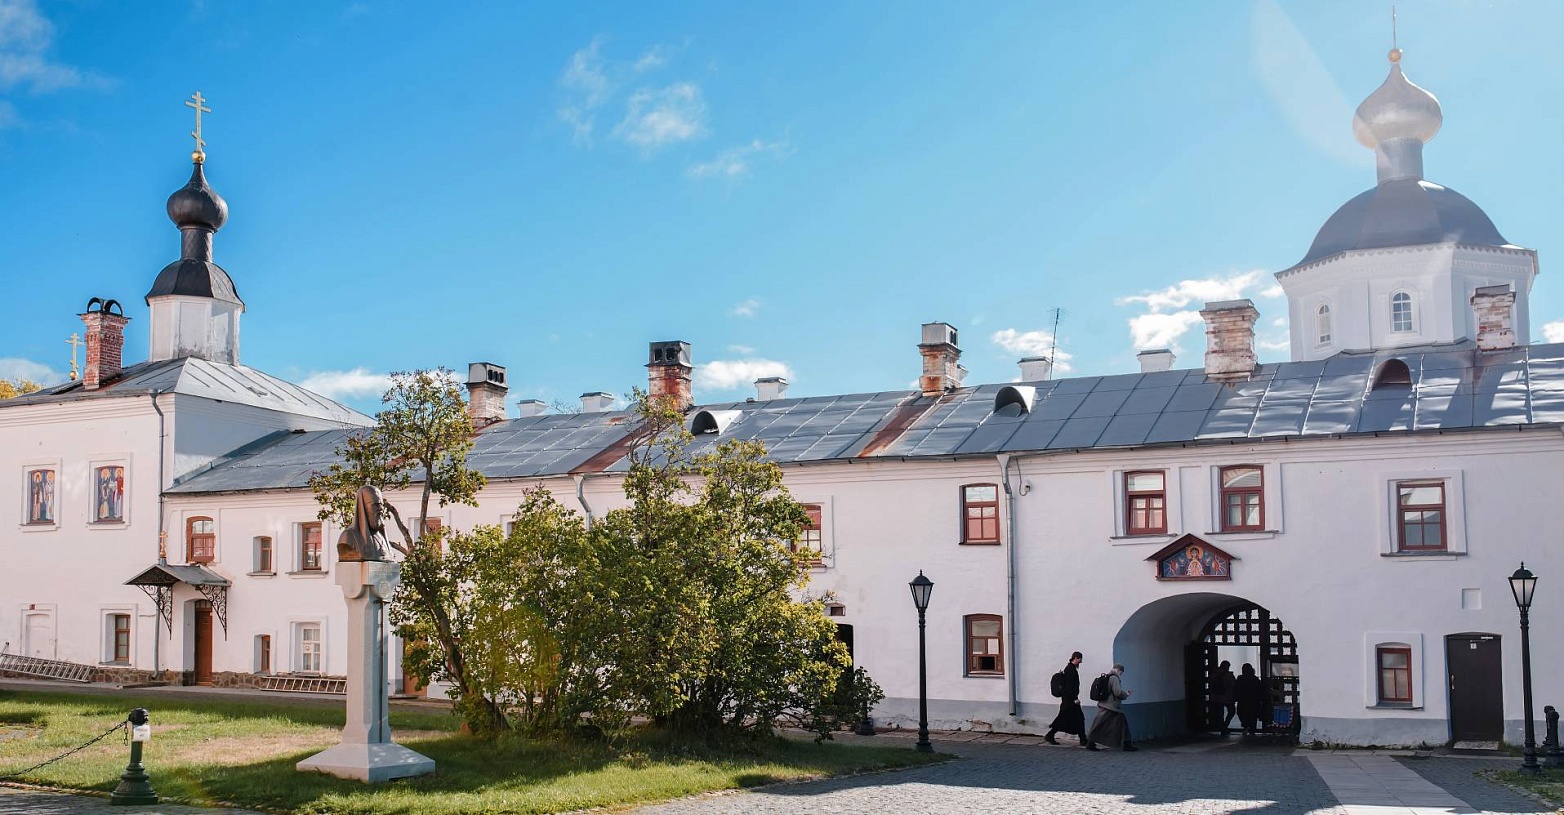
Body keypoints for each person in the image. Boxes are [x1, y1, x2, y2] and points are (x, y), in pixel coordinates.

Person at [1085, 663, 1136, 752]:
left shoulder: (1107, 677)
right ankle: (1127, 744)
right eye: (1121, 672)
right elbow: (1117, 692)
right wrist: (1126, 694)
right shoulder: (1114, 678)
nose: (1121, 674)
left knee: (1099, 724)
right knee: (1122, 724)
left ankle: (1090, 742)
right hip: (1111, 707)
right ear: (1118, 670)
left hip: (1103, 704)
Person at [337, 484, 391, 562]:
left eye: (381, 505)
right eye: (375, 505)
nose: (381, 509)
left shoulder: (382, 537)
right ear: (363, 508)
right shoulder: (348, 536)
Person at [1044, 651, 1086, 746]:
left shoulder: (1070, 668)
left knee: (1078, 719)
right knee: (1065, 719)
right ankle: (1050, 735)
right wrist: (1075, 698)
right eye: (1080, 659)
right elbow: (1070, 687)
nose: (1081, 661)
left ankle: (1083, 739)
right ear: (1076, 658)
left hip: (1069, 700)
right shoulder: (1070, 669)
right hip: (1070, 701)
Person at [1232, 662, 1267, 736]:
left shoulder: (1240, 678)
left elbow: (1236, 688)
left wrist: (1236, 697)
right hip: (1253, 701)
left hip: (1243, 701)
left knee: (1243, 714)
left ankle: (1246, 727)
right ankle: (1252, 730)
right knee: (1253, 716)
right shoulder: (1255, 679)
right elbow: (1261, 690)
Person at [1212, 660, 1236, 735]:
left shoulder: (1215, 674)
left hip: (1217, 697)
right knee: (1231, 712)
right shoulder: (1229, 675)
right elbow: (1233, 684)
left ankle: (1222, 727)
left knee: (1220, 714)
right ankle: (1225, 726)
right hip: (1228, 697)